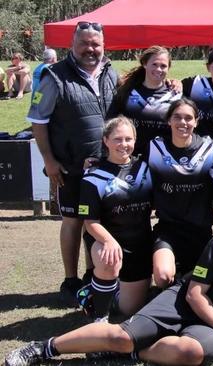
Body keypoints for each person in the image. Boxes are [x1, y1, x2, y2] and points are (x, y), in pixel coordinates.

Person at [4, 187, 213, 366]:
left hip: (209, 326)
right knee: (121, 334)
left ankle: (132, 354)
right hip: (185, 303)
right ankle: (43, 348)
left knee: (189, 353)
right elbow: (195, 294)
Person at [27, 21, 118, 305]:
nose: (91, 49)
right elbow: (37, 121)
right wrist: (49, 160)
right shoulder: (53, 76)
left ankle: (95, 276)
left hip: (106, 167)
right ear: (72, 45)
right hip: (71, 167)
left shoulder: (110, 71)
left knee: (100, 222)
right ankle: (70, 279)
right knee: (73, 221)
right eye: (85, 44)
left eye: (96, 44)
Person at [77, 117, 153, 320]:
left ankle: (98, 291)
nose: (124, 144)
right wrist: (109, 241)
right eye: (117, 139)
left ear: (135, 141)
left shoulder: (145, 168)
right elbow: (90, 222)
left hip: (141, 244)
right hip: (107, 240)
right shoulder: (93, 176)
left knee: (125, 313)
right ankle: (99, 315)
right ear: (105, 141)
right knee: (107, 255)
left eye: (128, 139)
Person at [148, 98, 213, 288]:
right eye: (177, 117)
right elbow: (125, 156)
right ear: (168, 120)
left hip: (200, 229)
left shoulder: (209, 148)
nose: (183, 123)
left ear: (196, 121)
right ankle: (173, 273)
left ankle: (181, 277)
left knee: (203, 282)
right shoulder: (155, 147)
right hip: (168, 228)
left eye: (188, 118)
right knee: (162, 277)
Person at [110, 46, 182, 158]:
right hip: (132, 158)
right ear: (144, 64)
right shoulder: (127, 91)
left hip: (164, 160)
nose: (158, 69)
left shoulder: (176, 94)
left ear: (168, 68)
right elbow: (111, 121)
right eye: (154, 64)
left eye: (163, 66)